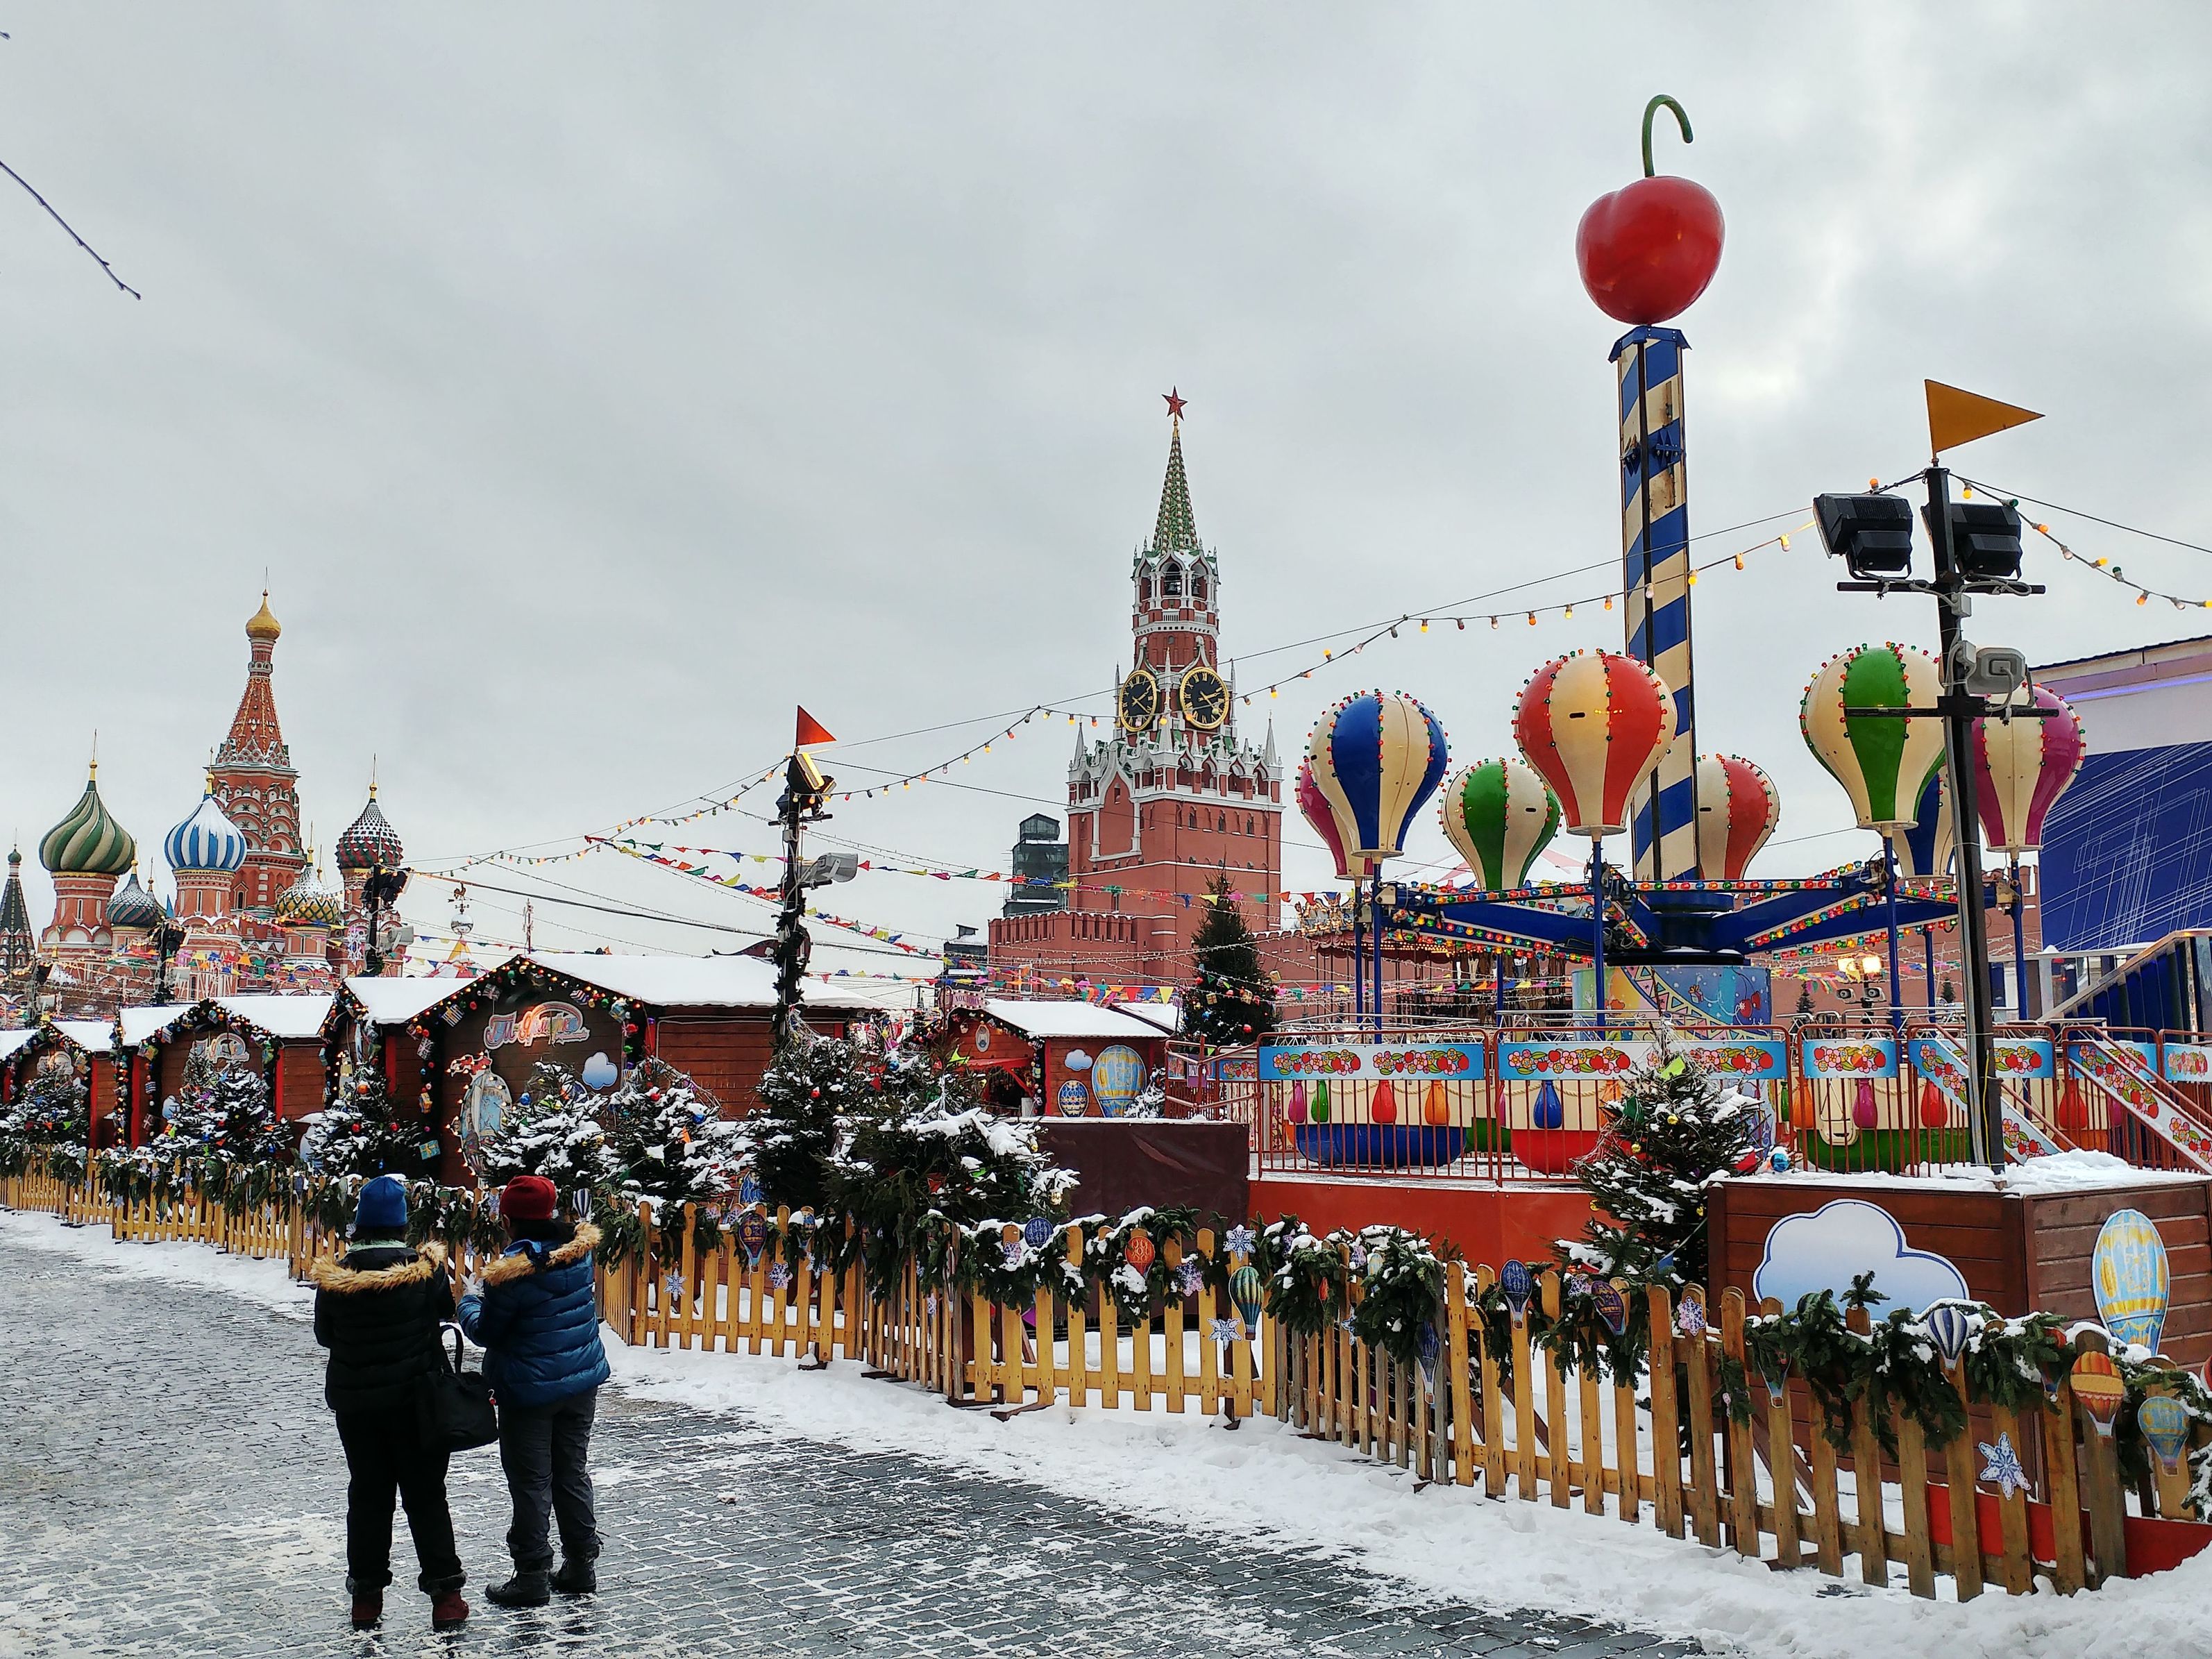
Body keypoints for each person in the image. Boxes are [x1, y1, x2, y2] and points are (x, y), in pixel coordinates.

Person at [309, 1174, 469, 1632]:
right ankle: (447, 1597)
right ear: (401, 1225)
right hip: (418, 1402)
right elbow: (444, 1313)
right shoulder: (424, 1271)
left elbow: (326, 1335)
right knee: (426, 1497)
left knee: (368, 1497)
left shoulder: (336, 1277)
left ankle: (366, 1598)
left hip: (358, 1408)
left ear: (360, 1225)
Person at [458, 1173, 611, 1608]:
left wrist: (468, 1303)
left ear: (507, 1219)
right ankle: (581, 1566)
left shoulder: (511, 1274)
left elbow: (487, 1330)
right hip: (581, 1381)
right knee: (572, 1472)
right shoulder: (576, 1253)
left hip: (527, 1391)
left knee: (531, 1484)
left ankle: (531, 1577)